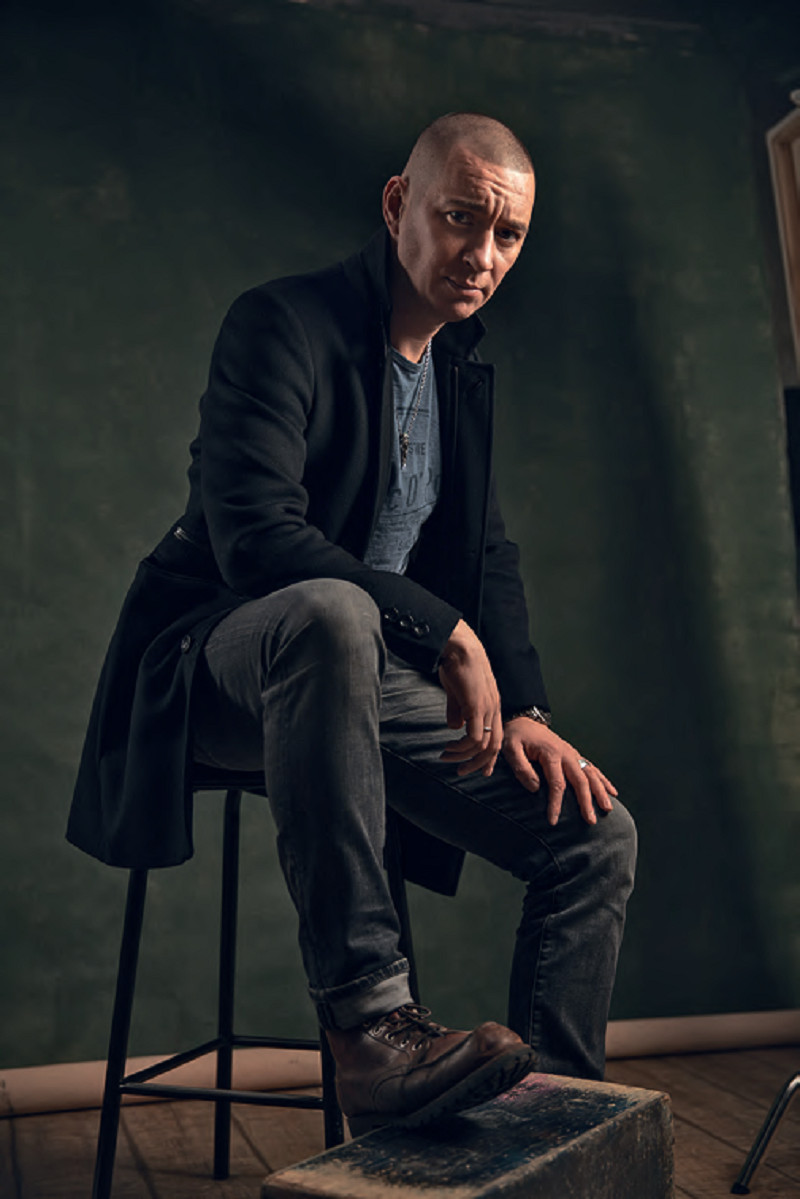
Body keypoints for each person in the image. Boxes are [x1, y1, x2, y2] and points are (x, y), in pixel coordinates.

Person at [68, 112, 637, 1135]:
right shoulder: (282, 324)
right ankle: (371, 1024)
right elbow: (256, 538)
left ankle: (552, 1127)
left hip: (361, 679)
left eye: (507, 235)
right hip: (214, 666)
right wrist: (445, 633)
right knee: (331, 614)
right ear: (396, 204)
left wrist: (528, 710)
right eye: (460, 219)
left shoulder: (456, 369)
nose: (482, 255)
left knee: (592, 833)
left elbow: (487, 551)